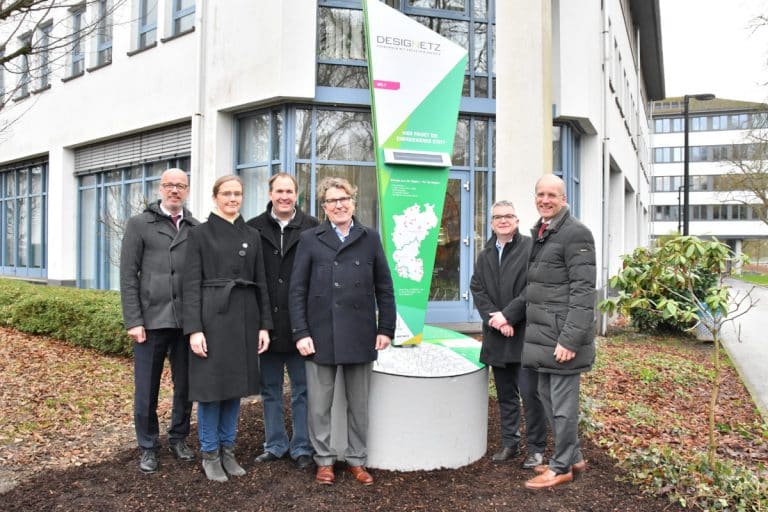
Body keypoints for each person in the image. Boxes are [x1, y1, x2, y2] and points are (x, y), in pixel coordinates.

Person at [289, 176, 396, 486]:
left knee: (358, 406)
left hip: (360, 333)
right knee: (319, 406)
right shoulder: (310, 239)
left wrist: (386, 328)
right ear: (324, 207)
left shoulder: (370, 238)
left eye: (344, 199)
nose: (339, 205)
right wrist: (301, 333)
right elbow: (297, 290)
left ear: (353, 202)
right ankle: (324, 461)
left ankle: (357, 460)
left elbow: (384, 287)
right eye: (332, 201)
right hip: (319, 335)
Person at [183, 175, 273, 482]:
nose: (233, 198)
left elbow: (261, 282)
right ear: (215, 197)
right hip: (211, 317)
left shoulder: (252, 234)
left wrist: (264, 326)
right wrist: (194, 329)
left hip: (245, 318)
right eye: (227, 193)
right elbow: (190, 284)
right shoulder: (199, 234)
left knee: (234, 388)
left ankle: (228, 450)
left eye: (237, 193)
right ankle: (210, 453)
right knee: (211, 390)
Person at [120, 168, 198, 473]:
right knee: (146, 389)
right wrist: (133, 320)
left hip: (186, 323)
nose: (174, 190)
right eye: (169, 185)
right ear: (160, 188)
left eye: (180, 185)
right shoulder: (140, 224)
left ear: (187, 190)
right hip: (151, 321)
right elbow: (128, 275)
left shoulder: (195, 227)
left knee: (186, 386)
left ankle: (179, 437)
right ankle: (148, 446)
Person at [522, 174, 596, 490]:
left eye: (552, 195)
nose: (545, 200)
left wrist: (569, 339)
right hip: (544, 337)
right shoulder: (543, 231)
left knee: (563, 409)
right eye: (541, 194)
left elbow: (584, 292)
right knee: (546, 397)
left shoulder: (575, 233)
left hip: (562, 338)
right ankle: (574, 457)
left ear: (564, 199)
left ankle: (561, 467)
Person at [247, 173, 319, 470]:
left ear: (296, 194)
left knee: (304, 390)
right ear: (270, 194)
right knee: (270, 390)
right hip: (267, 326)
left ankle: (302, 446)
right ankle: (275, 444)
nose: (284, 196)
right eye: (279, 191)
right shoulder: (253, 228)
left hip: (302, 327)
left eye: (289, 191)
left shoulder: (313, 227)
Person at [470, 200, 547, 469]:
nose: (503, 220)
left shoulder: (530, 248)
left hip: (526, 334)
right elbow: (477, 289)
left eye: (508, 216)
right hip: (497, 336)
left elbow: (534, 288)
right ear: (491, 223)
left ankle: (536, 449)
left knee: (531, 394)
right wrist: (497, 319)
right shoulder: (485, 254)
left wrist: (509, 316)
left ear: (516, 220)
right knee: (506, 395)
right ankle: (510, 443)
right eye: (497, 217)